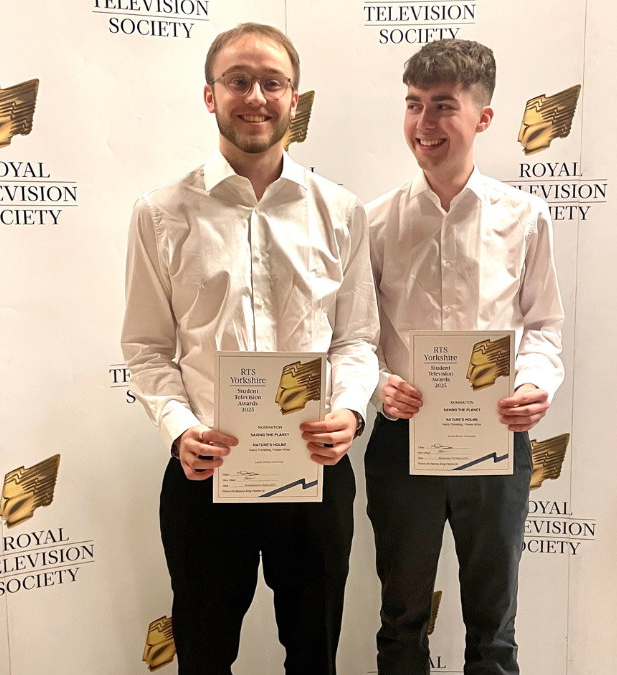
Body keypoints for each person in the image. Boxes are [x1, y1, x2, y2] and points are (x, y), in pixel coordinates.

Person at [120, 22, 379, 675]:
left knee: (314, 655)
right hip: (205, 470)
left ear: (295, 99)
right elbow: (148, 348)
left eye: (272, 82)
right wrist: (180, 429)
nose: (255, 96)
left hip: (314, 469)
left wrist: (348, 411)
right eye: (238, 80)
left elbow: (357, 338)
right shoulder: (159, 213)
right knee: (203, 658)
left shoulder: (342, 210)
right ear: (210, 95)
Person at [364, 39, 563, 675]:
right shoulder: (373, 222)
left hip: (496, 440)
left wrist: (533, 381)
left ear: (483, 117)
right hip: (403, 440)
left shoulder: (525, 216)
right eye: (414, 104)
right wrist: (378, 384)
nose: (424, 124)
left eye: (443, 106)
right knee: (400, 621)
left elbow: (544, 324)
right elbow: (353, 336)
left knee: (493, 622)